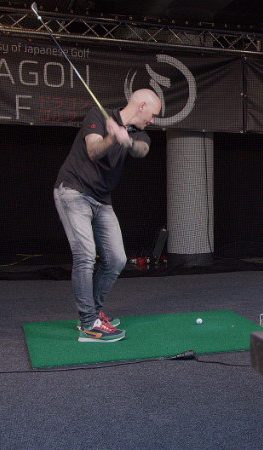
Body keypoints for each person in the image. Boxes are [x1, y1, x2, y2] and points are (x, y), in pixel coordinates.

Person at [53, 89, 161, 342]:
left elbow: (141, 151)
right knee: (85, 255)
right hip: (73, 192)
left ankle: (94, 311)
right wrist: (112, 137)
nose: (153, 121)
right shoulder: (99, 116)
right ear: (142, 105)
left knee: (116, 260)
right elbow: (93, 151)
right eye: (153, 115)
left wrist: (126, 140)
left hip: (102, 200)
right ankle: (89, 323)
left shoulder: (140, 134)